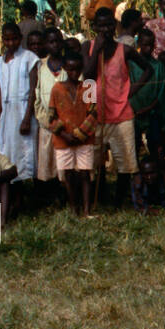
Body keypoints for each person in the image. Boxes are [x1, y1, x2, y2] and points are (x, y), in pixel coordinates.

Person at [83, 2, 152, 206]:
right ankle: (99, 198)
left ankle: (119, 200)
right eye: (100, 26)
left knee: (125, 163)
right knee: (95, 162)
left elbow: (147, 69)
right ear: (94, 27)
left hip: (121, 114)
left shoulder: (125, 50)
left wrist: (133, 89)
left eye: (108, 26)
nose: (105, 30)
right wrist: (97, 51)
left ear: (115, 26)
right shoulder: (88, 47)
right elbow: (87, 75)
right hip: (95, 114)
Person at [47, 41, 98, 216]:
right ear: (64, 69)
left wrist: (79, 134)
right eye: (70, 69)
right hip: (63, 140)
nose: (74, 73)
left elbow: (94, 113)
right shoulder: (57, 88)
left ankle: (86, 209)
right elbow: (51, 117)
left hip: (85, 138)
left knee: (85, 174)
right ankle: (74, 208)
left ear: (82, 68)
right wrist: (65, 135)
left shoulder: (89, 85)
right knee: (67, 175)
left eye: (77, 69)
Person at [0, 22, 38, 184]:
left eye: (14, 39)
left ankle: (26, 187)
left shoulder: (29, 58)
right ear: (2, 40)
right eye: (7, 40)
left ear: (20, 38)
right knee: (7, 150)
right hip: (7, 115)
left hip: (23, 111)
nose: (11, 43)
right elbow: (0, 94)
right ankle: (11, 187)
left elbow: (33, 90)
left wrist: (27, 118)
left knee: (24, 151)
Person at [31, 26, 67, 186]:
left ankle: (68, 194)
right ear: (45, 44)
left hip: (68, 125)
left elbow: (86, 90)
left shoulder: (71, 64)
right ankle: (50, 193)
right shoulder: (40, 66)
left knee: (65, 164)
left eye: (58, 41)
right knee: (48, 161)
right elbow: (37, 99)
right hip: (48, 125)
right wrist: (48, 122)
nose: (55, 45)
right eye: (51, 42)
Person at [130, 25, 165, 163]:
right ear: (138, 43)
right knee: (133, 146)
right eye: (144, 45)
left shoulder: (158, 66)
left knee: (154, 145)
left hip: (152, 112)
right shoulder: (131, 64)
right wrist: (134, 109)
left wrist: (149, 108)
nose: (148, 48)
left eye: (150, 45)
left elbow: (160, 91)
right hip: (133, 112)